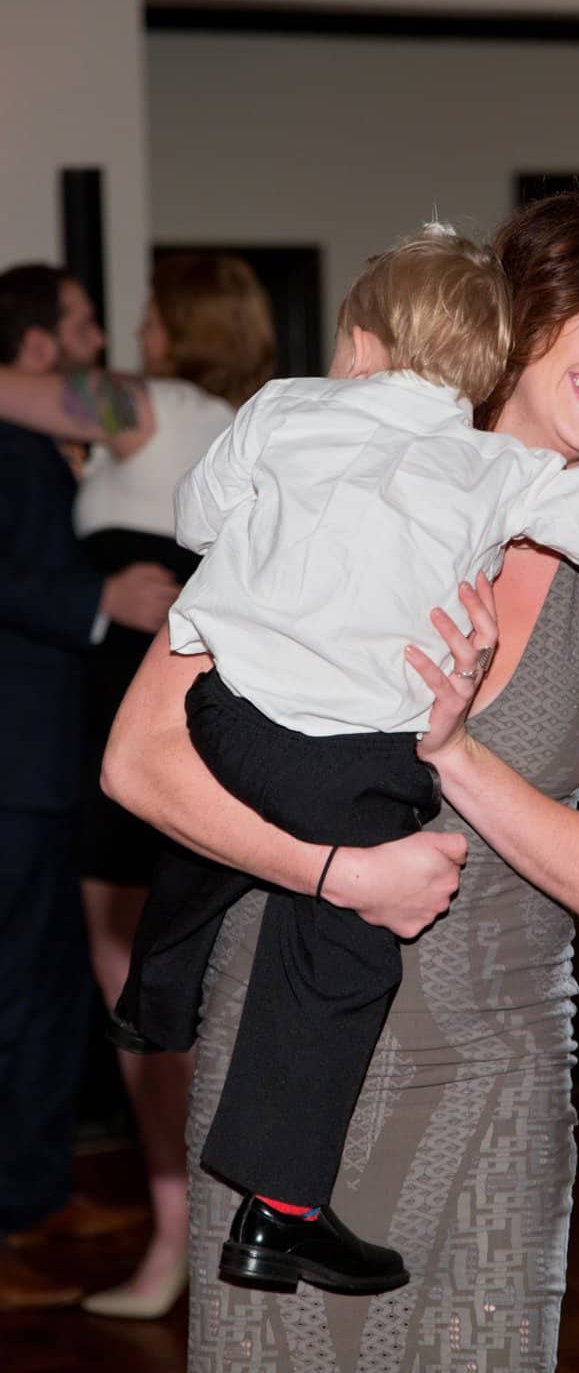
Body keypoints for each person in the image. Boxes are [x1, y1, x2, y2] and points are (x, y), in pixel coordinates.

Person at [101, 187, 579, 1371]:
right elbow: (140, 757)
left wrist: (455, 750)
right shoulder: (332, 473)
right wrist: (339, 869)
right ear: (527, 303)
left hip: (489, 1079)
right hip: (278, 1072)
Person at [0, 254, 275, 1317]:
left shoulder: (142, 404)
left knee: (143, 998)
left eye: (154, 311)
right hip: (218, 727)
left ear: (185, 326)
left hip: (130, 735)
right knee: (217, 993)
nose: (135, 327)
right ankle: (229, 1229)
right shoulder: (257, 424)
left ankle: (179, 1241)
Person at [0, 263, 180, 1312]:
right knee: (15, 990)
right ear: (35, 344)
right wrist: (96, 595)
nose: (98, 335)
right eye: (77, 321)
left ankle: (36, 1191)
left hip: (57, 757)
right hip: (16, 761)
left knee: (55, 987)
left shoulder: (54, 434)